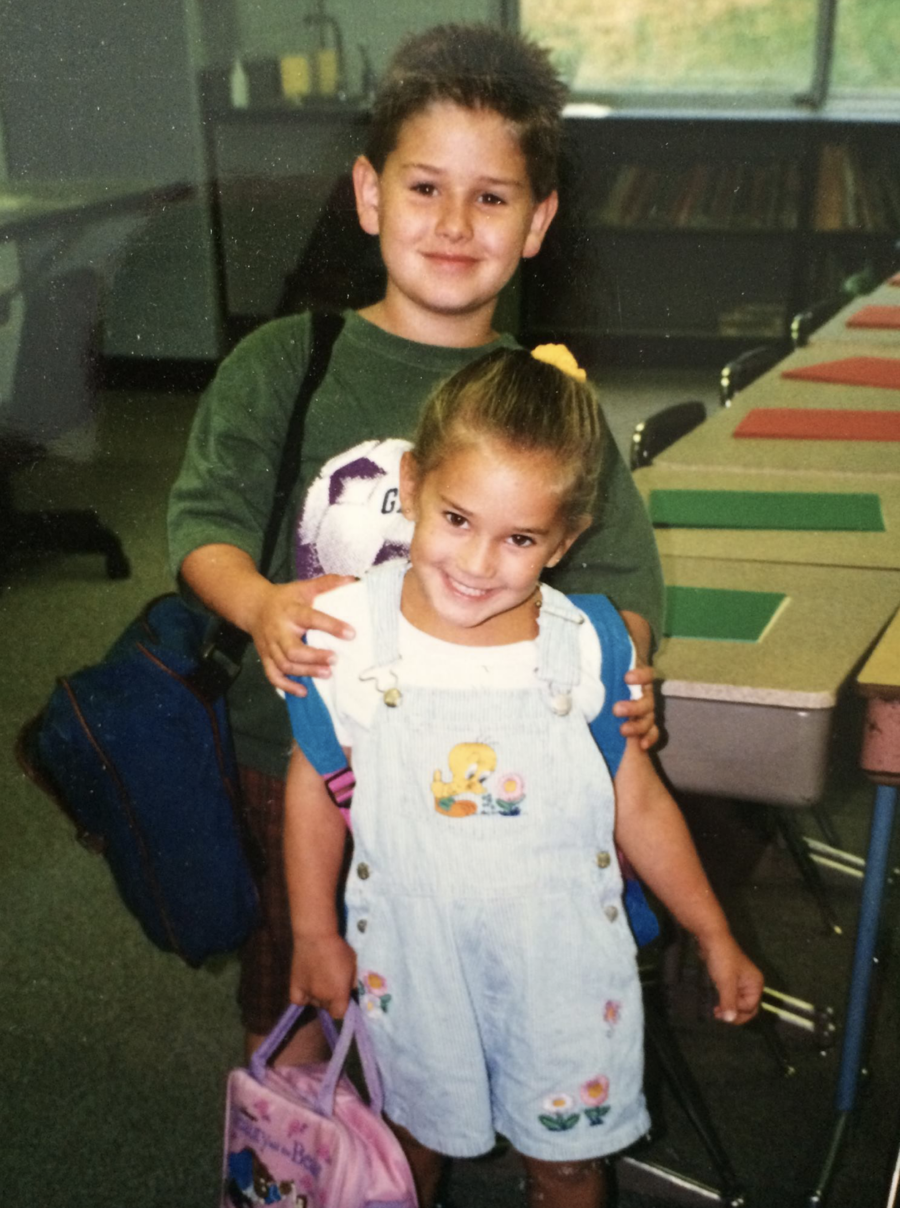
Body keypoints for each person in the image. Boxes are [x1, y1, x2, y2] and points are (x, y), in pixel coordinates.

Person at [167, 23, 665, 1063]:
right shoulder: (281, 362)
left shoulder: (550, 404)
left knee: (436, 1037)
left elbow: (618, 581)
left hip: (478, 784)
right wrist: (259, 600)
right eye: (424, 186)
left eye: (493, 196)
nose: (453, 222)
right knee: (295, 1010)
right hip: (299, 764)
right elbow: (202, 526)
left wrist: (624, 673)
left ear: (537, 222)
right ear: (368, 195)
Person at [285, 346, 764, 1208]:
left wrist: (713, 929)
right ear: (415, 481)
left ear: (567, 538)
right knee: (410, 1148)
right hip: (413, 963)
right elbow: (314, 784)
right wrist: (315, 931)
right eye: (457, 519)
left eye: (519, 539)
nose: (477, 565)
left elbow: (638, 799)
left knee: (571, 1165)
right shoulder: (347, 631)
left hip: (564, 969)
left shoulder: (588, 642)